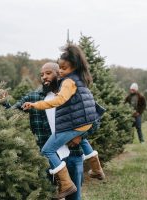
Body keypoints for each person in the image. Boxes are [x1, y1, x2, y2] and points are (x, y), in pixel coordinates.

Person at [23, 44, 105, 199]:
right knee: (80, 137)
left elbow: (59, 100)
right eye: (59, 68)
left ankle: (67, 184)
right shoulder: (81, 81)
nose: (60, 72)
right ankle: (97, 169)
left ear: (73, 66)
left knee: (47, 150)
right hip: (83, 123)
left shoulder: (67, 83)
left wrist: (36, 105)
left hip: (74, 140)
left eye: (62, 69)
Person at [0, 62, 85, 200]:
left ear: (59, 74)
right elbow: (12, 112)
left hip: (72, 155)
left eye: (48, 73)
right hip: (47, 158)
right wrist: (4, 103)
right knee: (50, 195)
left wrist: (80, 136)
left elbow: (94, 117)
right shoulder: (33, 97)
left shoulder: (72, 93)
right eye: (42, 74)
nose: (44, 77)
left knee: (74, 197)